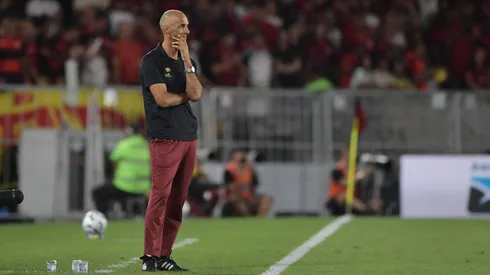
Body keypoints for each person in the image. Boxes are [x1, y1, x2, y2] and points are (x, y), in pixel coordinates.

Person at [138, 9, 202, 272]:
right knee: (160, 196)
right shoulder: (151, 61)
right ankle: (150, 257)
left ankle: (164, 254)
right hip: (164, 137)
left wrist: (186, 58)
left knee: (178, 199)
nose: (187, 30)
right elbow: (163, 100)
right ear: (167, 30)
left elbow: (196, 93)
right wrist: (185, 96)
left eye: (187, 26)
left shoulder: (185, 59)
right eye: (182, 26)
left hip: (188, 136)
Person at [92, 124, 150, 217]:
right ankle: (135, 212)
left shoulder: (124, 144)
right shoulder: (147, 146)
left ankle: (103, 217)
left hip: (124, 187)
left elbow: (113, 162)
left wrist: (112, 176)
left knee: (98, 193)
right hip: (144, 189)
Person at [325, 149, 377, 215]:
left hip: (354, 199)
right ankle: (363, 209)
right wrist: (362, 174)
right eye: (348, 155)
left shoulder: (355, 170)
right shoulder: (337, 170)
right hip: (337, 200)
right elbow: (345, 183)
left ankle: (369, 209)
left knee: (375, 202)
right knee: (346, 195)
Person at [222, 150, 273, 217]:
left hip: (249, 196)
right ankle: (248, 218)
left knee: (267, 198)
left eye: (243, 159)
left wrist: (251, 196)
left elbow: (254, 186)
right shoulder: (229, 171)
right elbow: (232, 188)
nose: (241, 162)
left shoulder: (250, 171)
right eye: (239, 160)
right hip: (237, 197)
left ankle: (260, 218)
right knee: (236, 199)